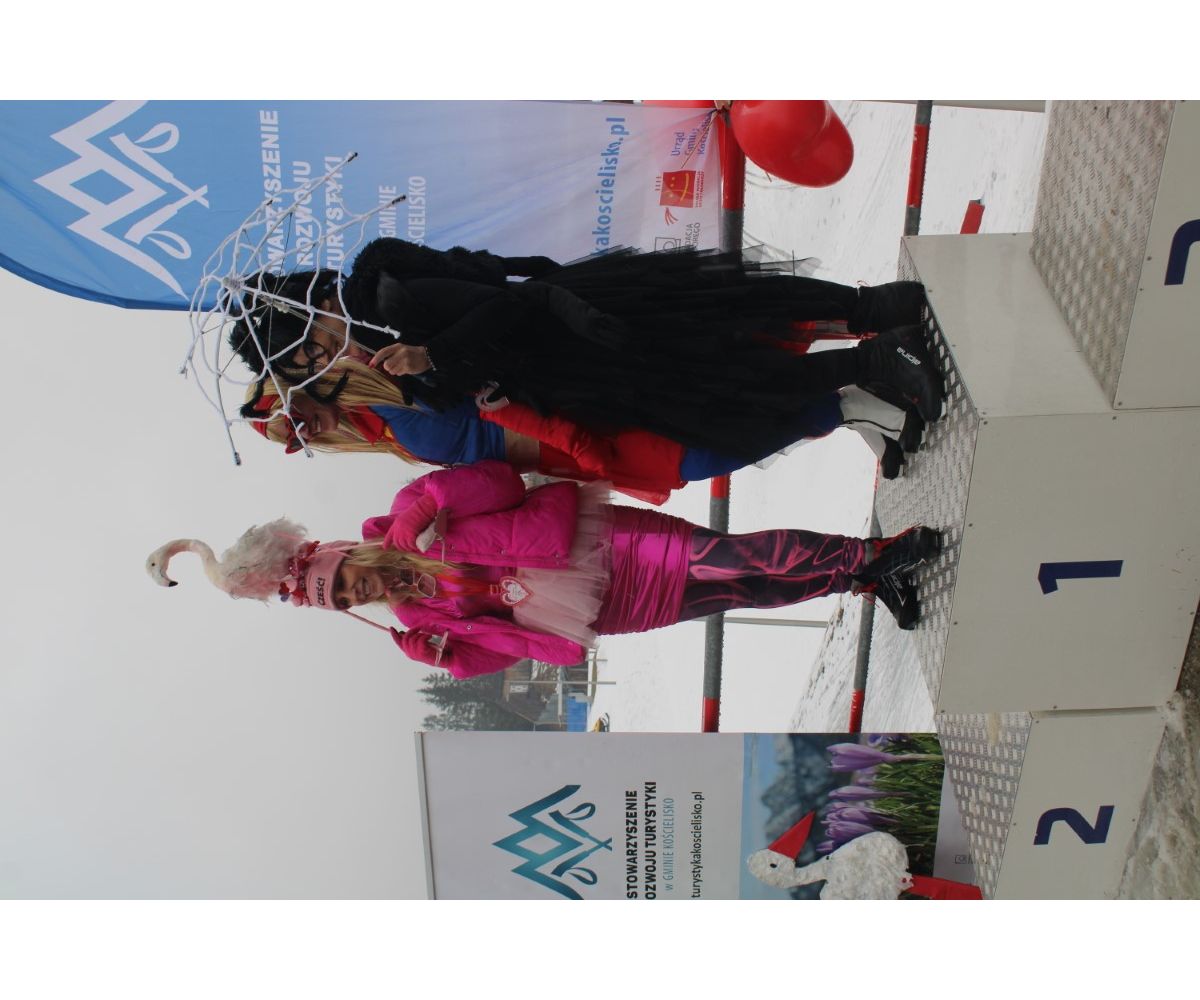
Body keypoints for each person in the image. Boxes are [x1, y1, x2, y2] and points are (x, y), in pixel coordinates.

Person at [146, 461, 942, 678]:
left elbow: (496, 482)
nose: (363, 589)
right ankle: (861, 580)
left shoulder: (408, 513)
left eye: (349, 575)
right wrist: (448, 658)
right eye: (349, 599)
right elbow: (497, 648)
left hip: (599, 548)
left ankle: (873, 552)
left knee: (730, 556)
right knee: (738, 591)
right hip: (602, 610)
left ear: (342, 554)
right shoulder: (415, 622)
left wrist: (428, 507)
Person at [226, 239, 943, 465]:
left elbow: (501, 301)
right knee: (734, 385)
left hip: (581, 320)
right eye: (307, 369)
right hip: (574, 373)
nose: (321, 362)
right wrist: (439, 381)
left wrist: (431, 354)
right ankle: (877, 362)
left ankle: (871, 311)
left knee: (731, 308)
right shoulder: (375, 354)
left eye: (309, 350)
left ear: (309, 310)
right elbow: (465, 383)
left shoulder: (381, 289)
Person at [241, 358, 923, 503]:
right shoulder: (374, 427)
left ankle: (848, 401)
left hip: (576, 423)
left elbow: (485, 399)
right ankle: (846, 410)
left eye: (296, 417)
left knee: (711, 446)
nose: (308, 431)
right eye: (299, 439)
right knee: (713, 443)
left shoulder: (385, 386)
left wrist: (570, 441)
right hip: (565, 453)